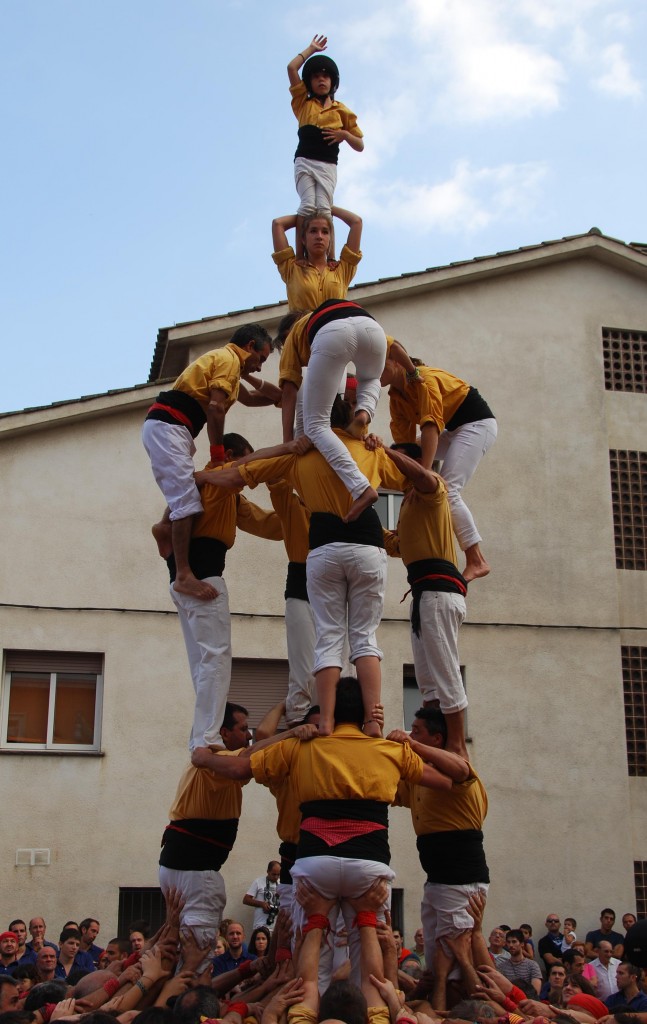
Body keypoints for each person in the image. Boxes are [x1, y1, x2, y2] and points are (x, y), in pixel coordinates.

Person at [207, 396, 410, 733]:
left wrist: (205, 476)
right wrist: (382, 448)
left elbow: (244, 474)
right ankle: (344, 718)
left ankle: (330, 719)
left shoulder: (301, 462)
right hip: (342, 556)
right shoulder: (351, 458)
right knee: (355, 642)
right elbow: (409, 479)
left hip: (325, 556)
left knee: (333, 646)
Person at [155, 432, 289, 751]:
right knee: (215, 658)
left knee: (204, 661)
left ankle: (202, 734)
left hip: (185, 576)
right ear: (229, 455)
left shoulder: (226, 495)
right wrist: (284, 452)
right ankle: (207, 736)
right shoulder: (215, 479)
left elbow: (266, 523)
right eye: (242, 462)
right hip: (204, 577)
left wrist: (305, 522)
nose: (247, 477)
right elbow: (244, 472)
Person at [141, 323, 275, 602]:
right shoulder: (227, 360)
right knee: (187, 501)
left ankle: (164, 528)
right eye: (261, 359)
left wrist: (286, 397)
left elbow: (251, 400)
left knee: (186, 490)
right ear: (249, 346)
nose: (260, 367)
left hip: (173, 427)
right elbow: (215, 408)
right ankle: (183, 575)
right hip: (170, 425)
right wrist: (216, 454)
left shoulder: (228, 366)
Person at [389, 706, 489, 1011]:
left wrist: (411, 744)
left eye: (416, 730)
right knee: (436, 967)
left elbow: (458, 768)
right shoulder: (423, 777)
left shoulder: (459, 772)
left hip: (461, 882)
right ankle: (437, 1010)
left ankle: (466, 1014)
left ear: (437, 738)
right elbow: (390, 791)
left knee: (457, 965)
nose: (410, 734)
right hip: (437, 882)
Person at [382, 441, 469, 756]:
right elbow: (399, 546)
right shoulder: (408, 502)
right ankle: (437, 737)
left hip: (438, 590)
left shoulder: (432, 488)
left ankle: (458, 745)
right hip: (424, 593)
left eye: (399, 461)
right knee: (428, 678)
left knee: (445, 672)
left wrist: (386, 451)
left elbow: (423, 475)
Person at [381, 356, 497, 581]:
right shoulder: (396, 399)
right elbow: (405, 449)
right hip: (452, 429)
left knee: (449, 490)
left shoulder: (424, 379)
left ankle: (477, 560)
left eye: (379, 363)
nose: (373, 370)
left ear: (396, 361)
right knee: (405, 455)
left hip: (476, 423)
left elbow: (431, 426)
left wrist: (423, 475)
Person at [287, 36, 363, 255]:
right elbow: (291, 68)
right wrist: (311, 49)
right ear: (310, 82)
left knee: (324, 210)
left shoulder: (342, 110)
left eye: (325, 76)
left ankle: (330, 258)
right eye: (317, 76)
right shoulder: (303, 103)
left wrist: (344, 135)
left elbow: (360, 144)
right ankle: (301, 256)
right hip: (305, 161)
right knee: (308, 206)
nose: (321, 80)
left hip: (328, 165)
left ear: (332, 81)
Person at [272, 208, 362, 312]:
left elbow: (357, 222)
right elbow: (277, 224)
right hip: (304, 327)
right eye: (313, 231)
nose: (319, 236)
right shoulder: (292, 269)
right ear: (303, 239)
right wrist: (305, 215)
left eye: (325, 232)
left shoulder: (342, 270)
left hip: (333, 326)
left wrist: (327, 207)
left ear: (330, 239)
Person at [498, 929, 542, 994]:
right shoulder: (502, 966)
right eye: (508, 942)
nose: (511, 945)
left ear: (522, 944)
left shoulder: (532, 965)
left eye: (514, 942)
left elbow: (535, 992)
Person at [243, 861, 281, 931]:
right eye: (273, 874)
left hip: (276, 927)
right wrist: (261, 904)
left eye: (278, 875)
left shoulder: (281, 884)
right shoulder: (258, 881)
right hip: (260, 925)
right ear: (268, 871)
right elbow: (246, 900)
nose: (276, 877)